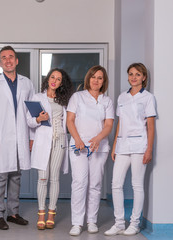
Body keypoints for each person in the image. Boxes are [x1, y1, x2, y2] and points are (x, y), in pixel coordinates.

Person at [0, 46, 34, 230]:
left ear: (16, 60)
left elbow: (32, 111)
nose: (8, 60)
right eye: (3, 58)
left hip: (21, 136)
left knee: (16, 176)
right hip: (1, 138)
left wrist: (32, 137)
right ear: (0, 63)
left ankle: (13, 213)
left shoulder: (27, 83)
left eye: (11, 57)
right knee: (0, 177)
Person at [104, 63, 156, 236]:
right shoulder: (122, 97)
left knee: (136, 185)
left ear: (143, 78)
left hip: (140, 146)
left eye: (138, 74)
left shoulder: (148, 97)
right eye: (131, 74)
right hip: (122, 145)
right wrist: (115, 146)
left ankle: (134, 223)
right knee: (116, 184)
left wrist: (149, 149)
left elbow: (150, 125)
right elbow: (120, 123)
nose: (134, 77)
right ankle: (119, 223)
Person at [66, 65, 114, 236]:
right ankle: (77, 223)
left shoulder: (106, 101)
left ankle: (91, 221)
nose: (96, 80)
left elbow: (108, 125)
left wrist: (99, 138)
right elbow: (70, 120)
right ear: (88, 79)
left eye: (100, 78)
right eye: (93, 76)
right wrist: (78, 139)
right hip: (78, 147)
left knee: (95, 185)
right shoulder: (77, 97)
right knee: (79, 183)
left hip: (99, 148)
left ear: (103, 81)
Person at [27, 68, 74, 230]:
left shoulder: (64, 100)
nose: (54, 80)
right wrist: (39, 118)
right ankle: (41, 213)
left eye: (58, 79)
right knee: (42, 177)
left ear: (62, 83)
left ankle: (51, 213)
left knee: (54, 177)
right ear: (47, 79)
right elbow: (29, 121)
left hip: (59, 139)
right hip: (42, 140)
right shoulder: (37, 97)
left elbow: (68, 121)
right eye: (52, 77)